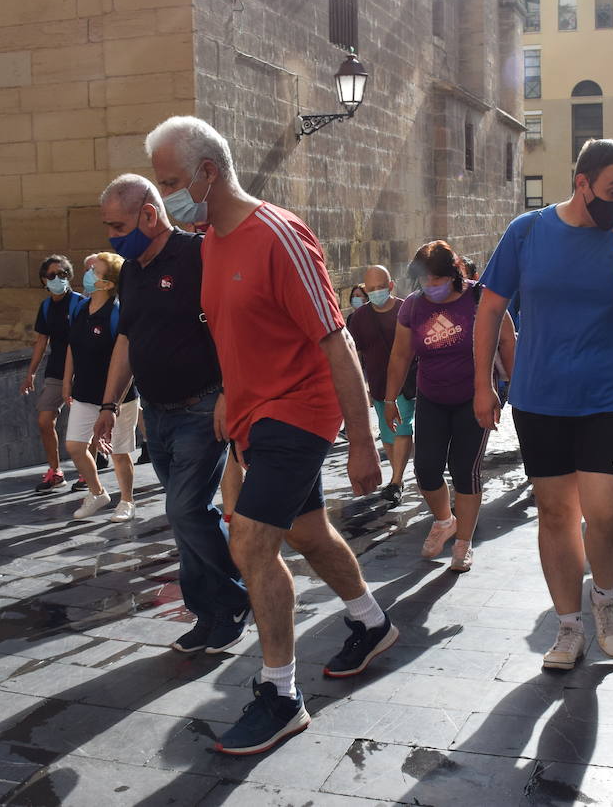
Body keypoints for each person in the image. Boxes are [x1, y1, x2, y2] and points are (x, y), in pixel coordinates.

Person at [144, 116, 393, 757]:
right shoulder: (210, 240)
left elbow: (336, 341)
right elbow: (235, 329)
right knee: (307, 531)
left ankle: (280, 694)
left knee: (251, 541)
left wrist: (363, 442)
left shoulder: (278, 236)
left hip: (301, 411)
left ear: (206, 173)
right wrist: (230, 390)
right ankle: (372, 621)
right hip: (256, 413)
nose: (162, 193)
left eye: (169, 180)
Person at [473, 138, 613, 670]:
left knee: (608, 514)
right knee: (556, 513)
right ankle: (568, 625)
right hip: (541, 397)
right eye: (612, 191)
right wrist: (481, 384)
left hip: (610, 395)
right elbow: (489, 311)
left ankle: (603, 598)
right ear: (582, 183)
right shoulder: (528, 231)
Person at [93, 173, 250, 656]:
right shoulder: (134, 272)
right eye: (107, 227)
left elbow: (232, 326)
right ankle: (210, 612)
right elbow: (127, 339)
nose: (112, 237)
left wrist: (228, 392)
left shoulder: (196, 255)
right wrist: (108, 403)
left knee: (183, 509)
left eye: (118, 225)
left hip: (201, 406)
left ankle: (235, 599)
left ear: (149, 213)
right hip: (156, 415)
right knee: (189, 517)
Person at [386, 242, 515, 572]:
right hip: (432, 398)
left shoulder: (479, 297)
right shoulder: (413, 307)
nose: (430, 287)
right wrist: (389, 399)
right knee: (426, 470)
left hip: (474, 397)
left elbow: (507, 338)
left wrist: (514, 384)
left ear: (453, 274)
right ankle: (444, 521)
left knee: (465, 472)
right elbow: (400, 355)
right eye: (424, 281)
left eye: (437, 280)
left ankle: (463, 544)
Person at [63, 252, 139, 521]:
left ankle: (127, 501)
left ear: (107, 284)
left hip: (119, 397)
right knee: (74, 445)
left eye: (95, 270)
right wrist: (66, 383)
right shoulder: (80, 308)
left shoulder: (118, 312)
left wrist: (113, 404)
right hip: (84, 391)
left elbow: (128, 359)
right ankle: (97, 493)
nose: (88, 271)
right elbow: (72, 347)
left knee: (119, 452)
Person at [346, 265, 416, 502]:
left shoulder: (406, 309)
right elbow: (352, 352)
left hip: (405, 384)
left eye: (380, 287)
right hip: (378, 384)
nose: (376, 292)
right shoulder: (359, 318)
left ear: (391, 286)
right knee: (388, 432)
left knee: (403, 425)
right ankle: (399, 474)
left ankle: (396, 480)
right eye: (371, 289)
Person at [22, 255, 81, 492]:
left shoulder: (80, 303)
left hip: (82, 370)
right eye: (52, 275)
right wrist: (31, 373)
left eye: (63, 274)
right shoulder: (46, 307)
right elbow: (41, 341)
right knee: (45, 420)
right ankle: (55, 472)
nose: (58, 279)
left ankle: (88, 472)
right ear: (43, 280)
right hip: (56, 371)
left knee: (84, 424)